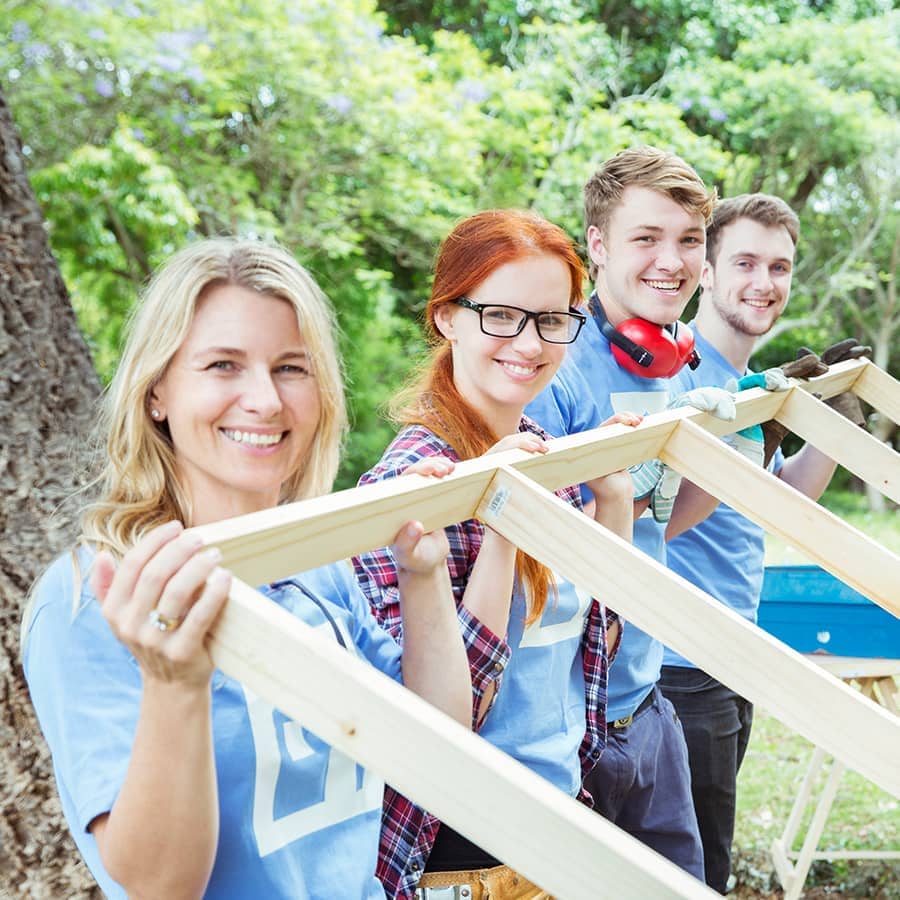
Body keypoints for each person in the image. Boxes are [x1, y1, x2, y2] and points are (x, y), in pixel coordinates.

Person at [22, 238, 471, 900]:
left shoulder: (316, 558)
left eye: (292, 367)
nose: (264, 400)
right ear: (156, 395)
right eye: (223, 365)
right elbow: (159, 886)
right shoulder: (96, 597)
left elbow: (435, 752)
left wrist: (422, 571)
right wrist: (175, 685)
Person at [352, 209, 639, 899]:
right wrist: (504, 523)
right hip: (463, 857)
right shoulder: (411, 485)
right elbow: (444, 719)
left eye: (551, 319)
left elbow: (598, 642)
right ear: (449, 316)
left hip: (561, 822)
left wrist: (616, 504)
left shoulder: (545, 449)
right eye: (502, 316)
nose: (530, 342)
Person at [525, 146, 754, 879]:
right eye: (646, 239)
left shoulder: (676, 360)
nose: (672, 261)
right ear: (597, 246)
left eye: (689, 240)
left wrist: (718, 450)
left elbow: (664, 521)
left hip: (644, 697)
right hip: (569, 715)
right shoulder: (553, 366)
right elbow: (531, 560)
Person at [658, 193, 865, 893]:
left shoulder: (748, 386)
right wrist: (749, 441)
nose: (763, 281)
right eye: (744, 261)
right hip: (678, 662)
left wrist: (837, 420)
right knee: (698, 871)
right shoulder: (681, 375)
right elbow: (651, 516)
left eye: (778, 266)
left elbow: (781, 501)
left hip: (731, 657)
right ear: (707, 271)